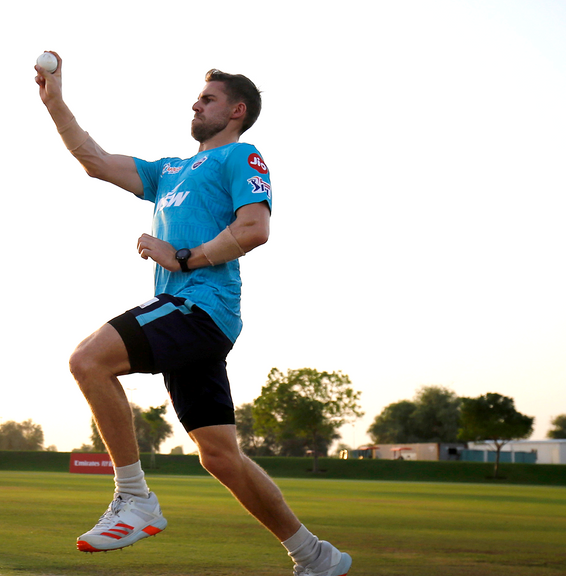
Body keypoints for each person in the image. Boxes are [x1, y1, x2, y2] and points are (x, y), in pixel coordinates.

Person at [35, 52, 351, 576]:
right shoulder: (171, 171)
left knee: (88, 360)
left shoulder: (242, 157)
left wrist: (183, 256)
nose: (196, 104)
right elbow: (93, 158)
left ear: (236, 111)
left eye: (208, 98)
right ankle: (314, 555)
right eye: (197, 97)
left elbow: (254, 229)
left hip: (198, 307)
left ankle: (135, 500)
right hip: (189, 316)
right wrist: (56, 103)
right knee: (220, 457)